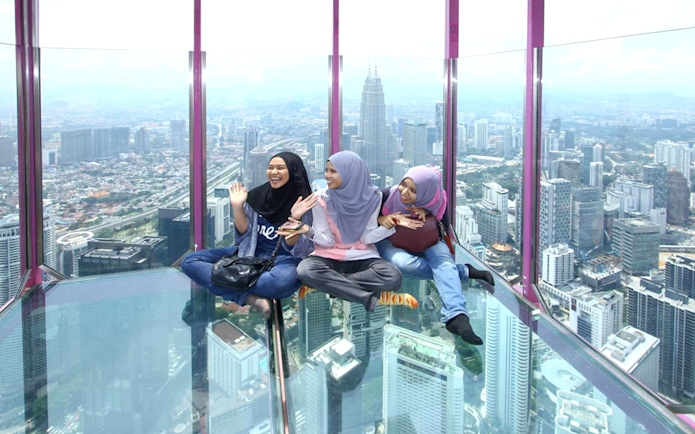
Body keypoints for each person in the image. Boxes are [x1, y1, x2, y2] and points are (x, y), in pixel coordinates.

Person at [180, 152, 317, 319]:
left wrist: (295, 219)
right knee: (190, 262)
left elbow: (299, 249)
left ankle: (233, 284)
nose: (274, 172)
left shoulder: (305, 203)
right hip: (249, 252)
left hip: (283, 258)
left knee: (281, 283)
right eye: (270, 167)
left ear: (293, 171)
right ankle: (248, 298)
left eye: (281, 168)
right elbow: (244, 234)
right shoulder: (257, 196)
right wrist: (237, 206)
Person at [280, 150, 415, 312]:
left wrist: (391, 225)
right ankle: (369, 298)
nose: (327, 176)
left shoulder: (373, 197)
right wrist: (308, 230)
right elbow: (328, 242)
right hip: (328, 257)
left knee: (393, 276)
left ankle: (328, 284)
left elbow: (366, 239)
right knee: (305, 270)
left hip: (362, 257)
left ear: (351, 174)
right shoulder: (320, 199)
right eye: (326, 170)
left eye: (333, 171)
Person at [377, 165, 494, 345]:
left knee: (443, 261)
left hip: (426, 239)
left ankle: (457, 316)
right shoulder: (388, 196)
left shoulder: (436, 201)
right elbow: (364, 217)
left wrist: (429, 212)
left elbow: (443, 229)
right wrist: (383, 219)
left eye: (414, 190)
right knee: (404, 263)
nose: (405, 192)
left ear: (425, 192)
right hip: (390, 240)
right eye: (404, 185)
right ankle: (462, 271)